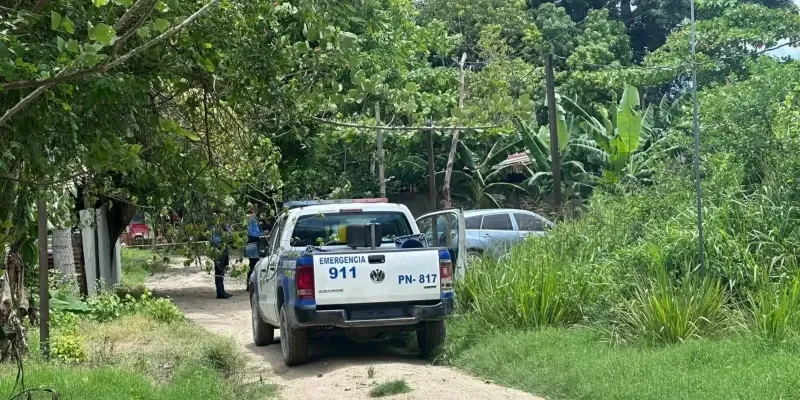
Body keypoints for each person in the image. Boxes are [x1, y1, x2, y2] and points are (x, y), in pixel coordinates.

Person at [211, 220, 232, 299]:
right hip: (218, 249)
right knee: (219, 271)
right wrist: (223, 237)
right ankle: (219, 293)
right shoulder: (213, 228)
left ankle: (222, 291)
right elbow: (213, 239)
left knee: (223, 270)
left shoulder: (223, 227)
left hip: (224, 248)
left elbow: (230, 235)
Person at [245, 207, 262, 288]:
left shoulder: (248, 222)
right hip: (254, 244)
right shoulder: (252, 219)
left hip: (249, 245)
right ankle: (253, 284)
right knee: (254, 265)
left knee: (251, 265)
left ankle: (248, 283)